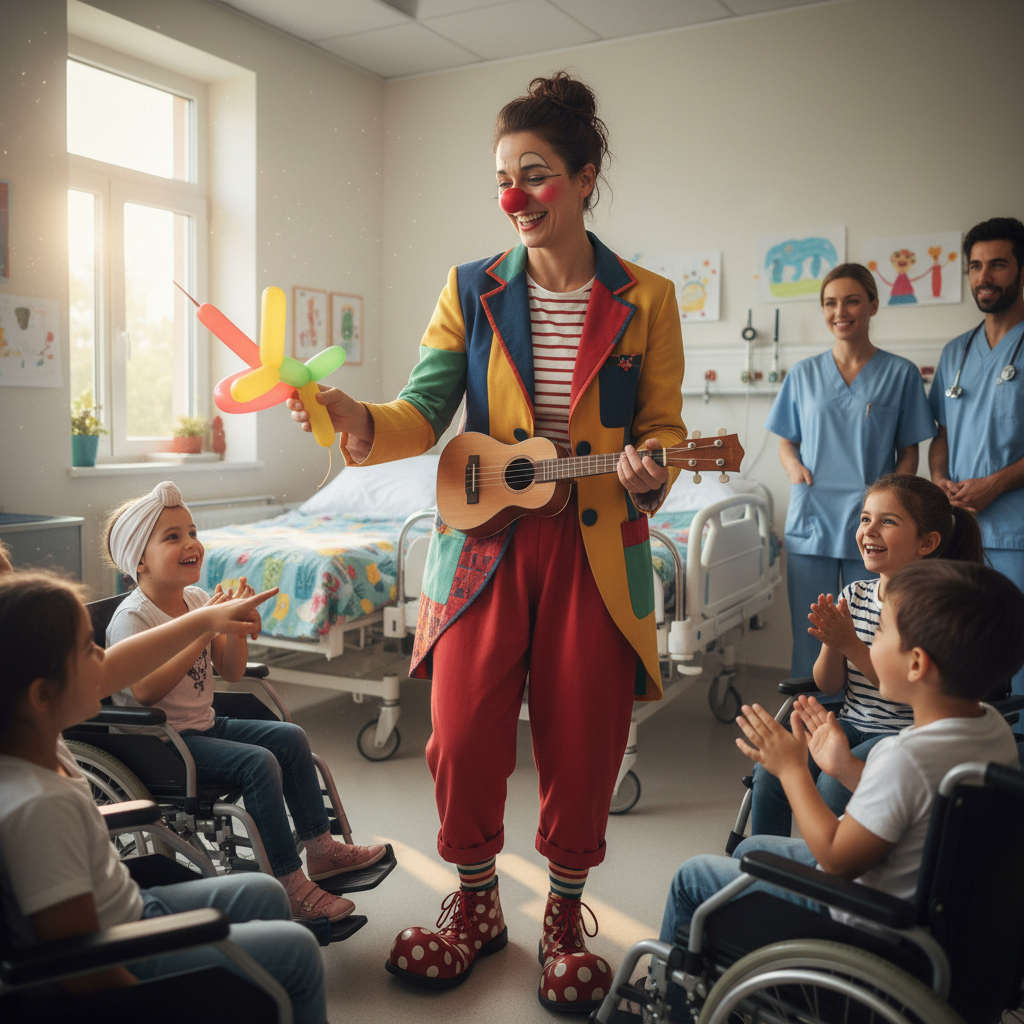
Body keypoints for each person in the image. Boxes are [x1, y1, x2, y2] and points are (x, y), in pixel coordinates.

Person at [288, 71, 686, 1010]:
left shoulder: (648, 299)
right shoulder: (471, 288)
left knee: (583, 740)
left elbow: (664, 429)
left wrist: (653, 468)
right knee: (461, 737)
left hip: (593, 548)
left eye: (536, 173)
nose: (514, 197)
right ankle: (474, 907)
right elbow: (422, 410)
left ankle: (562, 914)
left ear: (586, 178)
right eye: (502, 177)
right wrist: (357, 423)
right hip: (484, 544)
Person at [658, 560, 1024, 1019]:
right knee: (753, 845)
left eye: (882, 633)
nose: (871, 645)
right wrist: (845, 767)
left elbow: (835, 857)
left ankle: (674, 1009)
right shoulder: (990, 729)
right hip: (933, 913)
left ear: (916, 663)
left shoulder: (901, 756)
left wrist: (793, 769)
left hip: (863, 924)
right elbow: (923, 808)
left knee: (693, 877)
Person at [0, 571, 328, 1024]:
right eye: (87, 648)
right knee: (298, 951)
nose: (104, 656)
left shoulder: (36, 738)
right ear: (42, 695)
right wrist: (165, 1004)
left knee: (267, 892)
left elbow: (119, 665)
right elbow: (82, 968)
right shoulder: (38, 807)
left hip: (130, 906)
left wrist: (206, 619)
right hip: (123, 948)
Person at [104, 481, 386, 924]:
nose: (191, 542)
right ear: (138, 559)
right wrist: (201, 627)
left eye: (192, 531)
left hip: (200, 727)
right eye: (173, 536)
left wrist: (233, 628)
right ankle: (289, 885)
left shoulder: (196, 599)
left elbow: (231, 671)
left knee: (290, 738)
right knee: (259, 764)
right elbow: (145, 693)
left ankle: (321, 848)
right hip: (159, 746)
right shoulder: (134, 617)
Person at [750, 474, 983, 836]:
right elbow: (829, 683)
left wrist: (850, 644)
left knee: (833, 783)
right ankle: (768, 864)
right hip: (851, 721)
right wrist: (832, 640)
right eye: (865, 519)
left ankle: (827, 871)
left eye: (887, 521)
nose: (870, 530)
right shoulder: (855, 594)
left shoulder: (931, 608)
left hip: (901, 734)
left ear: (927, 542)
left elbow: (903, 688)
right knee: (771, 770)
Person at [765, 263, 935, 679]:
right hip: (813, 514)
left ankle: (870, 713)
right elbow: (787, 440)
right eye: (830, 302)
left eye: (852, 300)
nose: (840, 311)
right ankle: (810, 716)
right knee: (814, 628)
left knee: (875, 624)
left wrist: (898, 502)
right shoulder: (804, 374)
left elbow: (908, 451)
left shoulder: (900, 373)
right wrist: (793, 468)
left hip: (877, 521)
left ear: (873, 305)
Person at [929, 217, 1024, 716]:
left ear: (1021, 270)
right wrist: (939, 480)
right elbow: (940, 435)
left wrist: (995, 484)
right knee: (963, 651)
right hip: (962, 530)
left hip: (1017, 533)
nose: (985, 277)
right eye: (976, 266)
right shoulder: (956, 353)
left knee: (1019, 651)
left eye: (998, 264)